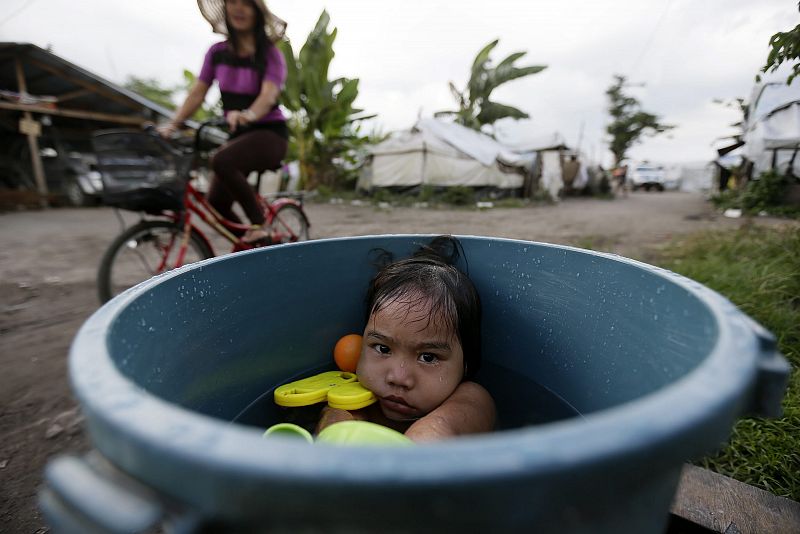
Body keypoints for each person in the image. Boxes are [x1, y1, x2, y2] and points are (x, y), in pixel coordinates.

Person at [316, 236, 496, 442]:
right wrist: (339, 416)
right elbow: (331, 435)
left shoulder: (472, 399)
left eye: (428, 357)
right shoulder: (345, 395)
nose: (398, 378)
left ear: (465, 364)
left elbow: (438, 433)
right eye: (383, 349)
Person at [159, 0, 288, 244]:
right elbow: (197, 92)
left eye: (246, 4)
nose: (238, 9)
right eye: (232, 2)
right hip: (237, 135)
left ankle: (260, 225)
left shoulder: (270, 54)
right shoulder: (216, 53)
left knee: (222, 160)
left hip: (270, 134)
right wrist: (173, 124)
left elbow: (268, 94)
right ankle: (256, 245)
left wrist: (248, 114)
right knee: (216, 202)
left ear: (257, 13)